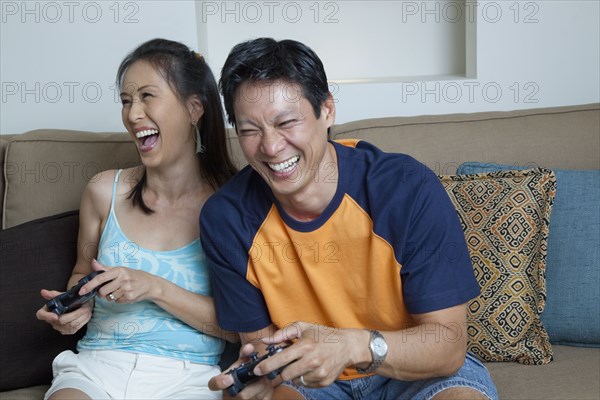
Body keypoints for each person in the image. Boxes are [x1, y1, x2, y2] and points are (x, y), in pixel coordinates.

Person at [200, 38, 499, 400]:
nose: (271, 146)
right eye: (250, 131)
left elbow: (447, 346)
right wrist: (260, 372)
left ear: (326, 110)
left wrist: (352, 346)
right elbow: (262, 347)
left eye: (286, 123)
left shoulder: (406, 189)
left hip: (412, 370)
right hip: (306, 377)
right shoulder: (226, 217)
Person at [36, 38, 238, 400]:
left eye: (147, 96)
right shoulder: (103, 191)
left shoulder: (234, 202)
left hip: (188, 378)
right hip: (97, 366)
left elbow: (241, 328)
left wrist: (154, 287)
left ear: (194, 108)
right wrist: (77, 308)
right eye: (127, 101)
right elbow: (83, 273)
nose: (133, 114)